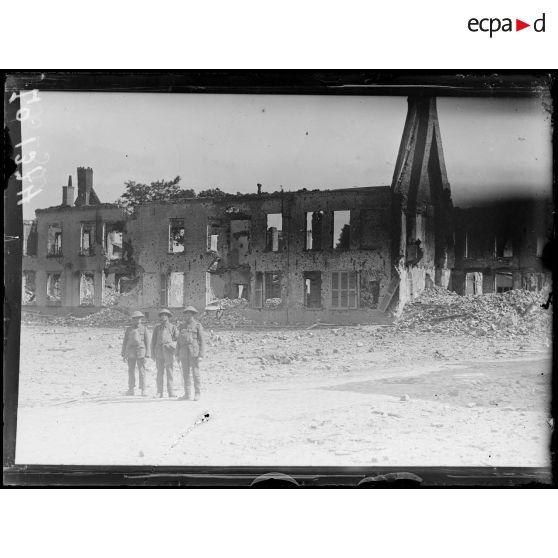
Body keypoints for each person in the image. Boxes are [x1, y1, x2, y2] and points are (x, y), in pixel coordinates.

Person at [176, 306, 206, 401]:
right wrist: (177, 354)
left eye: (190, 314)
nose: (188, 315)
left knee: (195, 373)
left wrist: (201, 355)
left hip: (194, 352)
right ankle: (187, 394)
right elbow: (178, 341)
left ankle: (197, 393)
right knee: (185, 374)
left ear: (193, 314)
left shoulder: (197, 325)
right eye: (186, 314)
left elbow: (202, 341)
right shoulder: (182, 326)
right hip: (183, 353)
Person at [121, 310, 151, 396]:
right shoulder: (129, 329)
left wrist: (147, 354)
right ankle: (131, 389)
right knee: (131, 370)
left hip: (141, 351)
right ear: (132, 319)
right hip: (131, 351)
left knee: (142, 370)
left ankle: (143, 389)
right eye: (135, 319)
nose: (137, 320)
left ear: (141, 319)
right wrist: (123, 353)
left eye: (139, 319)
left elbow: (147, 342)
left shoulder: (144, 329)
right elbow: (125, 341)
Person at [150, 308, 179, 398]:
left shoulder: (173, 327)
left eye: (165, 315)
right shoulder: (157, 328)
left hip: (168, 352)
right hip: (159, 352)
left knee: (169, 372)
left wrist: (172, 346)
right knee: (159, 373)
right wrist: (152, 354)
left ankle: (170, 392)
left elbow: (178, 340)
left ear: (168, 316)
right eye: (162, 315)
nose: (163, 316)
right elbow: (153, 341)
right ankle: (159, 392)